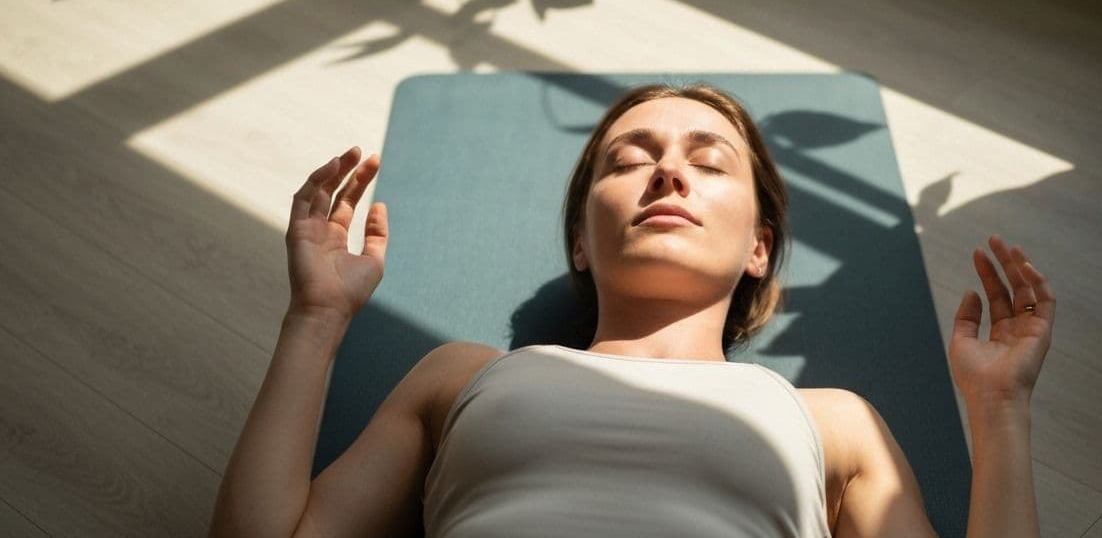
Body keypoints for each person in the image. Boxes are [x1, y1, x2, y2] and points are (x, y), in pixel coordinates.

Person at [209, 83, 1056, 538]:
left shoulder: (835, 424)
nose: (669, 173)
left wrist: (999, 409)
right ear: (582, 240)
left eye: (709, 162)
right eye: (629, 160)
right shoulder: (459, 376)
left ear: (759, 247)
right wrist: (316, 319)